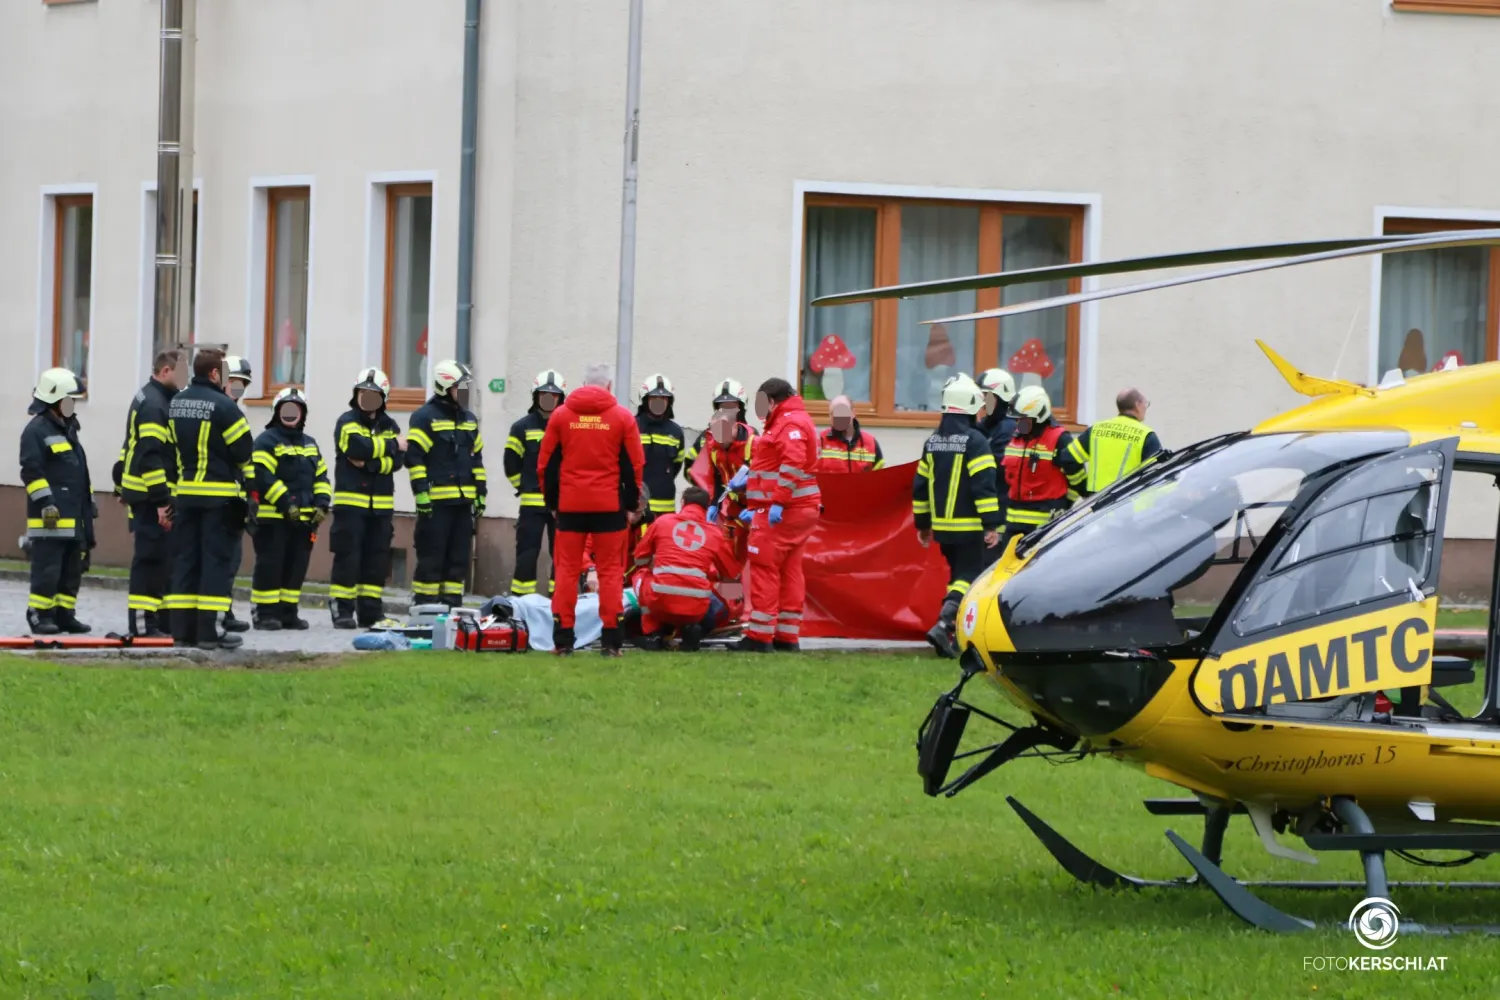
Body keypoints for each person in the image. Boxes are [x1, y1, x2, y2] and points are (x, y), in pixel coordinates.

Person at [537, 362, 646, 657]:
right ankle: (611, 643)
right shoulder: (622, 417)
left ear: (583, 384)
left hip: (570, 507)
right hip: (609, 508)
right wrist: (630, 505)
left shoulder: (561, 416)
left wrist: (553, 503)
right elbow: (634, 465)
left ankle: (563, 641)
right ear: (609, 386)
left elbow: (546, 465)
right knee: (611, 573)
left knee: (566, 572)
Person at [166, 348, 254, 649]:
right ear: (216, 374)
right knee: (215, 564)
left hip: (186, 496)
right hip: (219, 499)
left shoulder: (176, 403)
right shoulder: (226, 407)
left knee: (186, 563)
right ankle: (210, 632)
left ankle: (182, 632)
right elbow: (243, 452)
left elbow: (170, 446)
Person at [912, 374, 1002, 658]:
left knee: (957, 578)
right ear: (970, 406)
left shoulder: (933, 442)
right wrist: (991, 524)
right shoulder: (976, 442)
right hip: (970, 527)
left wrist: (923, 525)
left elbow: (920, 486)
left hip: (943, 529)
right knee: (970, 575)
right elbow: (984, 486)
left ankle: (949, 636)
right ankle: (944, 623)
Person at [737, 377, 820, 653]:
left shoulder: (788, 424)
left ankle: (759, 637)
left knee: (764, 567)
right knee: (790, 570)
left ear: (772, 401)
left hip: (783, 510)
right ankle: (787, 636)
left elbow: (792, 463)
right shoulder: (797, 420)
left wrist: (778, 503)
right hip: (795, 509)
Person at [113, 348, 186, 638]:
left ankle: (162, 621)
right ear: (165, 371)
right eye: (181, 374)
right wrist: (161, 501)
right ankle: (144, 624)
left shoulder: (154, 398)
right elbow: (150, 456)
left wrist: (121, 486)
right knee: (150, 560)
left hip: (147, 494)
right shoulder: (155, 405)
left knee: (164, 561)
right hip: (150, 496)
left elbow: (129, 448)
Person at [247, 387, 332, 630]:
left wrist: (322, 505)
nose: (291, 413)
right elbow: (264, 477)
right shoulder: (266, 441)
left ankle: (288, 613)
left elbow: (321, 477)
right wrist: (287, 505)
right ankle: (264, 614)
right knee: (271, 566)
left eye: (296, 409)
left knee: (296, 567)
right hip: (273, 518)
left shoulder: (310, 444)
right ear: (277, 412)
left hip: (304, 521)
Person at [20, 367, 95, 635]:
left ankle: (64, 614)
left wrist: (89, 504)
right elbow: (31, 472)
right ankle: (40, 614)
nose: (72, 404)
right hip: (51, 516)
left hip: (73, 515)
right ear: (55, 400)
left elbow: (77, 472)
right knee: (48, 569)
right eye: (69, 399)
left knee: (71, 569)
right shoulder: (36, 431)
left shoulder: (67, 429)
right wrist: (47, 503)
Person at [407, 360, 486, 608]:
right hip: (436, 503)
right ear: (444, 387)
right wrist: (421, 493)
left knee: (459, 556)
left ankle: (452, 603)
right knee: (432, 555)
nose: (464, 393)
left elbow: (476, 459)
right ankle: (425, 604)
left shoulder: (469, 419)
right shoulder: (424, 417)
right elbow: (415, 459)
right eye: (459, 388)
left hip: (463, 502)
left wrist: (481, 493)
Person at [330, 367, 405, 628]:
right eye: (363, 393)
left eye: (373, 394)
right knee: (347, 558)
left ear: (383, 398)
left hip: (381, 507)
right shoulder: (346, 422)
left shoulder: (390, 425)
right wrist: (391, 446)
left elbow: (398, 461)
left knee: (376, 560)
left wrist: (370, 463)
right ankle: (342, 610)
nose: (368, 398)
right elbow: (357, 447)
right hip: (350, 505)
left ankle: (371, 612)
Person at [632, 486, 734, 651]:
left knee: (641, 575)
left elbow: (639, 559)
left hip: (660, 603)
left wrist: (656, 563)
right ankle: (689, 629)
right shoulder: (715, 533)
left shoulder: (663, 522)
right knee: (710, 588)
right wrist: (706, 574)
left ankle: (653, 634)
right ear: (707, 507)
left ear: (682, 502)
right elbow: (730, 575)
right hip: (696, 609)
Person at [504, 370, 565, 598]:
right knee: (527, 554)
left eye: (553, 395)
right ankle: (522, 601)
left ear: (561, 398)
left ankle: (557, 601)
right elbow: (510, 463)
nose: (548, 399)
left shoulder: (567, 427)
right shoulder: (521, 427)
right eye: (544, 395)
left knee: (561, 555)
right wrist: (524, 486)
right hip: (532, 504)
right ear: (535, 396)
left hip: (562, 504)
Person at [1002, 386, 1088, 540]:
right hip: (1013, 525)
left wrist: (1064, 504)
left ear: (1038, 416)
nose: (1018, 423)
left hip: (1045, 526)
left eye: (1023, 419)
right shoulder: (1016, 438)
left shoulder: (1060, 439)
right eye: (1017, 419)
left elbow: (1078, 480)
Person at [218, 355, 255, 634]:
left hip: (233, 498)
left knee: (231, 559)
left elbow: (245, 459)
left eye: (243, 384)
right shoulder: (220, 411)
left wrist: (251, 496)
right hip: (216, 497)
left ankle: (224, 610)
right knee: (220, 558)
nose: (238, 388)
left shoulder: (234, 413)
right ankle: (217, 613)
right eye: (234, 382)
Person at [1078, 387, 1164, 494]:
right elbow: (1156, 473)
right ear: (1137, 405)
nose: (1146, 408)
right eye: (1145, 404)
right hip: (1126, 500)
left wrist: (1082, 489)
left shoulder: (1096, 430)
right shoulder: (1146, 435)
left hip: (1097, 500)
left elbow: (1068, 458)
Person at [682, 378, 756, 496]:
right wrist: (707, 486)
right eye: (723, 407)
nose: (727, 411)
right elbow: (690, 468)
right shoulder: (706, 438)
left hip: (745, 502)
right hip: (717, 501)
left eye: (731, 406)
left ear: (741, 408)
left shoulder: (751, 436)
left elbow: (763, 471)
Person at [635, 373, 686, 517]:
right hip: (637, 508)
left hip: (665, 510)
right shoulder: (632, 427)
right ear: (645, 400)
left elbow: (676, 466)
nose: (659, 402)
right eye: (655, 398)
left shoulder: (675, 432)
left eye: (663, 398)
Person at [813, 395, 883, 473]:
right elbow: (812, 475)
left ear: (853, 413)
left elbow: (879, 477)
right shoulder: (820, 440)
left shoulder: (870, 442)